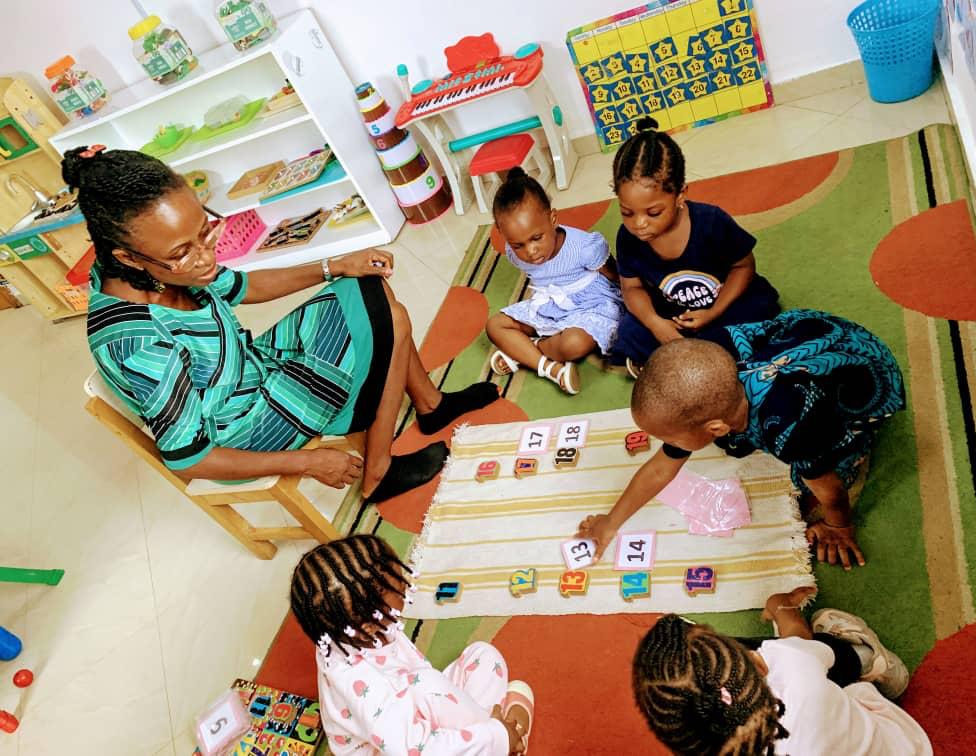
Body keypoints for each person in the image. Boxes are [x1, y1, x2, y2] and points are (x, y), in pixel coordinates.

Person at [71, 146, 497, 503]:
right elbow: (188, 457)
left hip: (256, 369)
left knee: (368, 289)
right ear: (126, 257)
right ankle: (380, 470)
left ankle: (430, 405)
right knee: (388, 319)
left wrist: (335, 265)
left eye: (206, 231)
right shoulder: (137, 342)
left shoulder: (161, 266)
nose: (206, 256)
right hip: (244, 432)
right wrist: (307, 462)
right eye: (184, 251)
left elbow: (243, 286)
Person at [577, 309, 906, 569]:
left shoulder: (789, 426)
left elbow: (829, 490)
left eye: (667, 437)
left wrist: (838, 526)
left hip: (868, 376)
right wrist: (611, 522)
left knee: (807, 479)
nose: (663, 443)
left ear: (717, 427)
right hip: (810, 335)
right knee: (739, 444)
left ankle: (856, 446)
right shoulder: (710, 354)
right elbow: (662, 467)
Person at [291, 535, 534, 755]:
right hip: (396, 746)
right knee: (429, 684)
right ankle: (503, 738)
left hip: (406, 708)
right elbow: (415, 750)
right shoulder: (368, 689)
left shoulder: (345, 628)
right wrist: (497, 737)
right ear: (369, 624)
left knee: (483, 655)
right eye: (399, 586)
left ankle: (493, 732)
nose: (406, 585)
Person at [632, 586, 932, 755]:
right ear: (757, 663)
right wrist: (780, 605)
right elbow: (799, 638)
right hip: (903, 747)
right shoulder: (794, 667)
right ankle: (869, 658)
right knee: (829, 655)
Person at [611, 116, 780, 377]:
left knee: (756, 310)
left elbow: (743, 266)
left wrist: (713, 312)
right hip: (671, 312)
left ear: (680, 195)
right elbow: (632, 288)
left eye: (654, 212)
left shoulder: (711, 221)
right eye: (627, 212)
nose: (639, 223)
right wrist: (656, 323)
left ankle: (681, 358)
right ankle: (695, 356)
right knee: (629, 331)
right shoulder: (627, 237)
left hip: (721, 303)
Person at [485, 167, 624, 395]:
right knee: (495, 325)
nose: (530, 251)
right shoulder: (512, 253)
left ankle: (526, 351)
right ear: (504, 236)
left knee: (574, 344)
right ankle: (550, 368)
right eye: (518, 245)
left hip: (592, 304)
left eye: (536, 238)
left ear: (552, 219)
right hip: (550, 306)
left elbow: (617, 277)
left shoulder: (584, 247)